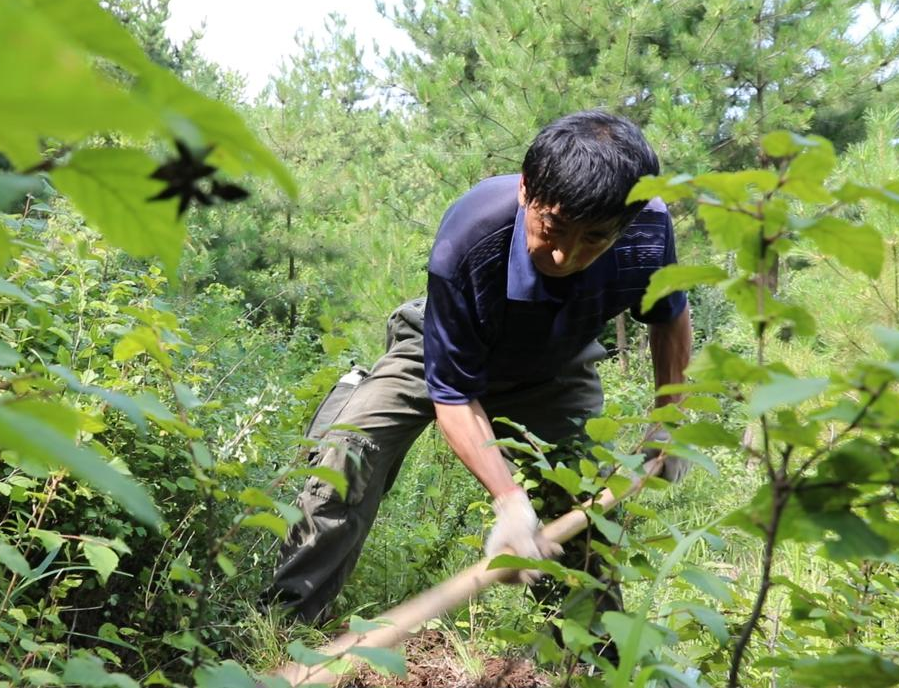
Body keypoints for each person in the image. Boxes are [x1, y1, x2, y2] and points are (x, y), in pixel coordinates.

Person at [263, 110, 694, 642]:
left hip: (553, 365)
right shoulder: (470, 234)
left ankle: (590, 660)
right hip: (440, 346)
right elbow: (452, 392)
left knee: (574, 496)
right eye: (552, 229)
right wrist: (509, 500)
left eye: (594, 239)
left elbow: (669, 316)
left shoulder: (647, 226)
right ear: (525, 190)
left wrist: (669, 419)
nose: (566, 255)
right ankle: (284, 630)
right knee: (348, 450)